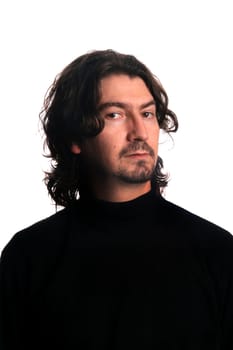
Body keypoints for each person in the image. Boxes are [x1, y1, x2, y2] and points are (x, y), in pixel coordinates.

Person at [0, 49, 232, 350]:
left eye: (147, 113)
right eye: (115, 115)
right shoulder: (28, 257)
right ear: (75, 138)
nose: (139, 132)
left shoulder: (217, 252)